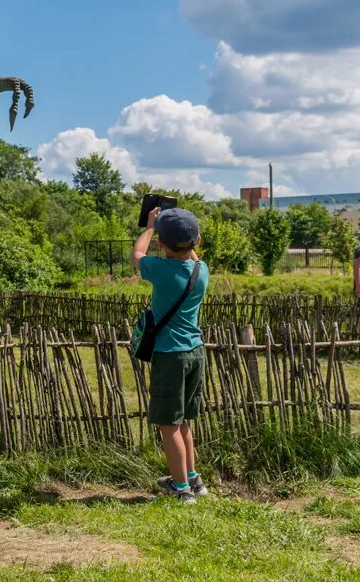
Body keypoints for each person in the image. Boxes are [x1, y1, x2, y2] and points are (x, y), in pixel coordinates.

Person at [131, 207, 209, 504]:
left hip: (170, 355)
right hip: (195, 352)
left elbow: (136, 256)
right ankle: (192, 478)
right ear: (197, 241)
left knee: (168, 424)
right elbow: (192, 255)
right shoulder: (202, 270)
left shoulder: (161, 270)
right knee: (184, 421)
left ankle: (180, 488)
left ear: (162, 244)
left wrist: (150, 227)